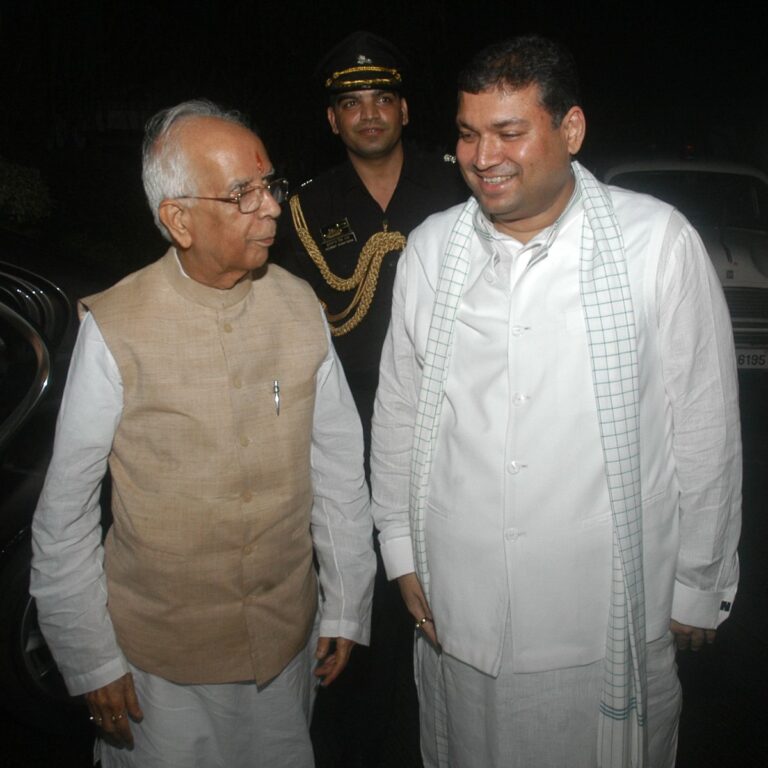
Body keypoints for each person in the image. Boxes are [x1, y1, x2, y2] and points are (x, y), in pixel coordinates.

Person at [370, 35, 741, 768]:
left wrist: (700, 580)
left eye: (510, 132)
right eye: (470, 134)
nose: (484, 156)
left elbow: (704, 422)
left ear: (570, 130)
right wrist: (402, 549)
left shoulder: (655, 242)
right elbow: (401, 409)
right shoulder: (432, 249)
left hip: (601, 609)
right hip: (458, 600)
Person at [30, 99, 375, 768]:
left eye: (269, 185)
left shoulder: (301, 307)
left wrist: (346, 605)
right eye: (242, 194)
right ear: (179, 219)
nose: (271, 207)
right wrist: (90, 658)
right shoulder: (117, 325)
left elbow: (338, 470)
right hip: (158, 674)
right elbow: (64, 516)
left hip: (285, 650)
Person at [274, 30, 466, 767]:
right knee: (358, 575)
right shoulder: (306, 207)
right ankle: (360, 733)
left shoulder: (457, 185)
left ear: (406, 110)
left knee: (444, 569)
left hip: (450, 413)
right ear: (332, 121)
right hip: (347, 418)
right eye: (351, 103)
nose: (369, 114)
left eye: (383, 98)